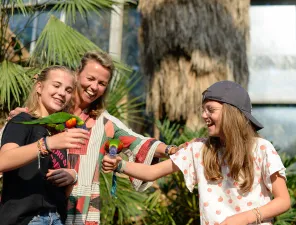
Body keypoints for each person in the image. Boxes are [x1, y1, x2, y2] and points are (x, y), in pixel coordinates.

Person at [5, 50, 177, 224]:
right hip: (38, 208)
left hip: (82, 208)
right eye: (91, 78)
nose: (94, 87)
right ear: (77, 75)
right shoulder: (51, 110)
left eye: (102, 83)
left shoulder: (104, 122)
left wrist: (173, 150)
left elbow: (140, 143)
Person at [102, 80, 291, 225]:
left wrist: (244, 218)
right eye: (203, 110)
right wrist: (120, 164)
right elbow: (152, 172)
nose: (203, 116)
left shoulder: (262, 149)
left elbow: (283, 201)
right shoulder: (199, 149)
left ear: (232, 113)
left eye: (211, 110)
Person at [0, 65, 89, 225]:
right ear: (39, 87)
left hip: (56, 217)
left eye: (68, 90)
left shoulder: (58, 132)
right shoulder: (22, 120)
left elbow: (54, 186)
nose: (62, 93)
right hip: (25, 218)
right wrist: (47, 144)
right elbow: (2, 161)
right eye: (56, 85)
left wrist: (71, 177)